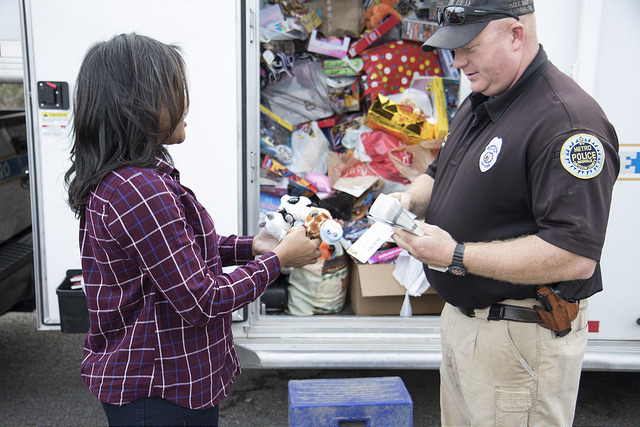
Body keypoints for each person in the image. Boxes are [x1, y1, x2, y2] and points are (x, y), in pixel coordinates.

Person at [65, 33, 321, 426]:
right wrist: (279, 259)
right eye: (174, 90)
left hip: (160, 385)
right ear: (137, 104)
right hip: (160, 390)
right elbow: (202, 299)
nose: (185, 104)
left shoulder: (132, 179)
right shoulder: (139, 189)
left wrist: (254, 246)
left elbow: (179, 251)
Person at [389, 1, 620, 426]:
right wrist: (407, 200)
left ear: (516, 35)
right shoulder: (486, 96)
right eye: (455, 50)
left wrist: (455, 255)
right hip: (467, 325)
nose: (458, 61)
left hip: (520, 336)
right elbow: (440, 173)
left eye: (470, 47)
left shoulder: (566, 124)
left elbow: (573, 255)